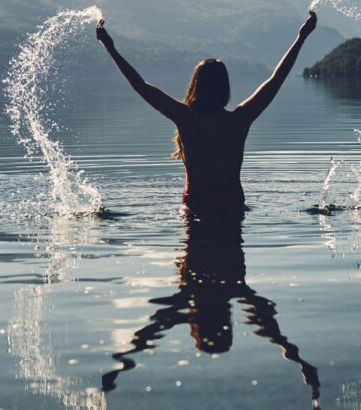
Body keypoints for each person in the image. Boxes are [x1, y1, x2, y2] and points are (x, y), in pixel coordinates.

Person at [96, 10, 317, 216]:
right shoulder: (239, 120)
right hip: (232, 209)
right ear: (224, 88)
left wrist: (110, 48)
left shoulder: (186, 119)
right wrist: (302, 37)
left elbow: (141, 86)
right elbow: (275, 81)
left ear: (195, 86)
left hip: (196, 211)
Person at [101, 216, 321, 406]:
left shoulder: (196, 295)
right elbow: (274, 334)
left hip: (203, 213)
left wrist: (122, 365)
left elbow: (148, 334)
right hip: (226, 213)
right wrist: (121, 364)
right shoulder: (226, 291)